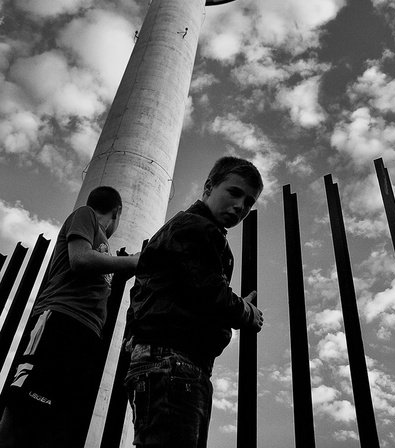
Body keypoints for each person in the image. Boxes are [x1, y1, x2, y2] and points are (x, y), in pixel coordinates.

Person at [124, 156, 264, 448]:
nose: (241, 207)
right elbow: (211, 293)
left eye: (249, 202)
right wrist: (246, 312)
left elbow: (149, 291)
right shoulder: (197, 229)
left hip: (174, 362)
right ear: (209, 187)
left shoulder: (186, 230)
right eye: (234, 193)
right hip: (173, 362)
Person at [0, 185, 140, 448]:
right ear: (117, 213)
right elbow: (80, 259)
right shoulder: (85, 215)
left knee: (57, 420)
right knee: (25, 406)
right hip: (61, 319)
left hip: (86, 333)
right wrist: (133, 262)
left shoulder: (105, 247)